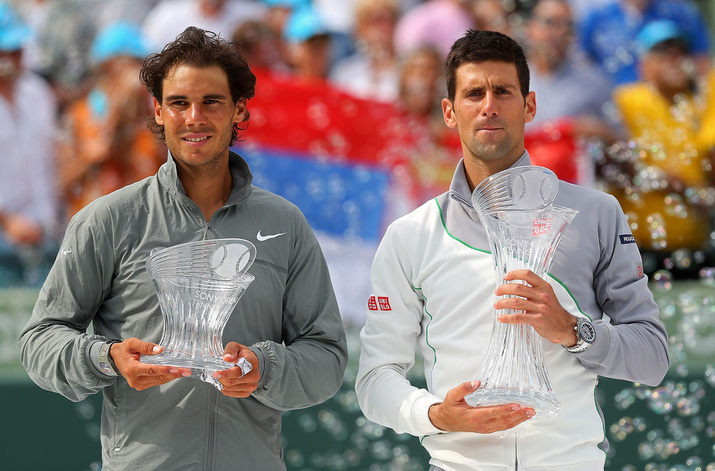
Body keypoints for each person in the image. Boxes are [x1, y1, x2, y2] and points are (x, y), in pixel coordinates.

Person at [19, 27, 348, 470]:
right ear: (157, 111)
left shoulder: (285, 224)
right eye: (178, 103)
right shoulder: (107, 220)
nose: (194, 117)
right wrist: (108, 358)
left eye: (211, 101)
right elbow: (40, 342)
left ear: (239, 110)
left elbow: (326, 358)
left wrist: (263, 368)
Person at [356, 29, 669, 471]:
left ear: (530, 105)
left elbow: (653, 357)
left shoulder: (596, 212)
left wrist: (574, 331)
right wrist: (436, 415)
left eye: (503, 90)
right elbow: (374, 380)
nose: (489, 105)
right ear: (449, 111)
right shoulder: (411, 234)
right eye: (473, 93)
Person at [606, 20, 715, 276]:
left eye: (680, 52)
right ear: (643, 63)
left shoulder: (697, 105)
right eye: (662, 52)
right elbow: (618, 161)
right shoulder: (627, 99)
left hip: (694, 243)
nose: (673, 59)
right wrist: (680, 186)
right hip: (638, 246)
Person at [57, 21, 165, 219]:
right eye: (132, 64)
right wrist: (92, 156)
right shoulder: (80, 115)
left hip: (149, 223)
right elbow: (61, 182)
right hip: (98, 228)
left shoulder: (155, 114)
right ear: (109, 66)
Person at [523, 0, 617, 185]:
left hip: (573, 192)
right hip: (520, 189)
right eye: (551, 22)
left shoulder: (594, 81)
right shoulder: (511, 79)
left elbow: (619, 142)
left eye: (568, 25)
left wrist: (598, 132)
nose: (560, 32)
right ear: (530, 28)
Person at [0, 1, 60, 287]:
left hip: (47, 236)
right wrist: (6, 221)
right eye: (6, 50)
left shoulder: (38, 93)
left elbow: (54, 155)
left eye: (16, 49)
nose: (14, 56)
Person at [579, 0, 712, 87]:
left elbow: (702, 63)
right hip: (618, 111)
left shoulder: (679, 12)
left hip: (671, 103)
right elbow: (586, 67)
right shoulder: (596, 19)